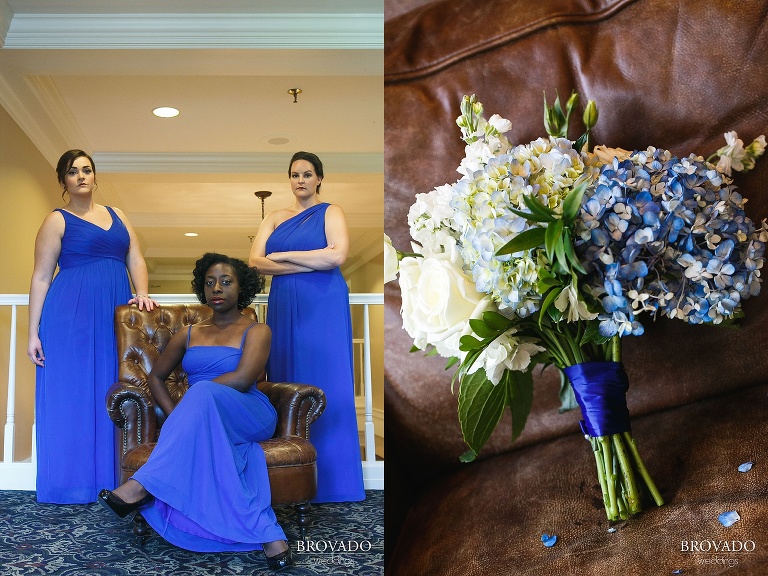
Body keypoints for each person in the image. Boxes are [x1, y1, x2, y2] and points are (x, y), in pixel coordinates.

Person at [98, 253, 294, 571]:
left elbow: (244, 379)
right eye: (210, 282)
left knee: (201, 390)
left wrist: (190, 404)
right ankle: (269, 533)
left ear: (241, 288)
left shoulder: (258, 331)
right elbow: (155, 377)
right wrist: (178, 414)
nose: (217, 287)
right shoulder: (189, 333)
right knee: (202, 397)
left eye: (226, 281)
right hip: (203, 415)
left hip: (248, 412)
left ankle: (142, 485)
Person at [27, 149, 156, 504]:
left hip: (113, 312)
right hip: (69, 316)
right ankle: (70, 483)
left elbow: (135, 257)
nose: (81, 175)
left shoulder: (118, 215)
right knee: (72, 393)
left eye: (87, 169)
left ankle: (114, 481)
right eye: (73, 171)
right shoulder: (57, 220)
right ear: (64, 181)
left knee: (110, 391)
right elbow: (40, 277)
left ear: (95, 176)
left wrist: (142, 293)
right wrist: (32, 332)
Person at [248, 151, 365, 503]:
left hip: (324, 303)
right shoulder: (273, 217)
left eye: (307, 174)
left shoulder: (332, 211)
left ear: (319, 178)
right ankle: (292, 479)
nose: (300, 180)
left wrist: (282, 256)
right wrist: (310, 262)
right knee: (289, 381)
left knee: (328, 378)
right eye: (295, 174)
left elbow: (337, 257)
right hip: (286, 302)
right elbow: (255, 262)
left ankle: (337, 482)